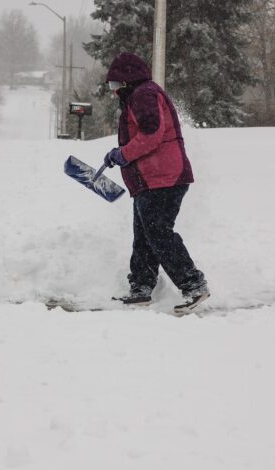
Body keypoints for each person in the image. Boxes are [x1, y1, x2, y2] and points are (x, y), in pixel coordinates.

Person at [103, 52, 209, 312]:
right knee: (144, 235)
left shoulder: (144, 95)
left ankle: (193, 284)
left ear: (127, 81)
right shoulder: (138, 95)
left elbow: (151, 134)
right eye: (111, 87)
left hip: (165, 177)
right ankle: (141, 287)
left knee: (159, 233)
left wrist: (123, 154)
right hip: (150, 180)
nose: (114, 92)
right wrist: (119, 154)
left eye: (116, 86)